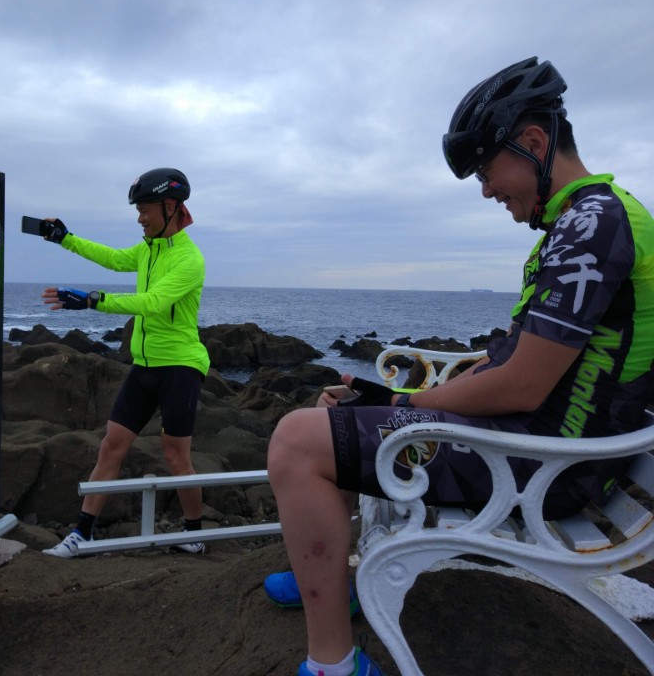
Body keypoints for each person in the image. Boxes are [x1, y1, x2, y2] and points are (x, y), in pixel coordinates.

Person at [264, 56, 654, 676]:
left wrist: (404, 405)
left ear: (532, 143)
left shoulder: (593, 224)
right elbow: (511, 362)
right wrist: (388, 401)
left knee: (294, 444)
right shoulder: (582, 224)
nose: (486, 189)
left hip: (549, 465)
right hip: (538, 447)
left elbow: (523, 384)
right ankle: (329, 574)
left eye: (485, 170)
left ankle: (333, 664)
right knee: (334, 409)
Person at [38, 167, 211, 558]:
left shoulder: (189, 259)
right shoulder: (148, 250)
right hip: (145, 364)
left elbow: (152, 303)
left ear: (170, 207)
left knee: (175, 456)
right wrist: (65, 240)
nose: (139, 218)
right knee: (111, 446)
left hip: (180, 366)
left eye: (144, 210)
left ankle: (194, 533)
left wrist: (93, 300)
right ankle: (83, 533)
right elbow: (114, 260)